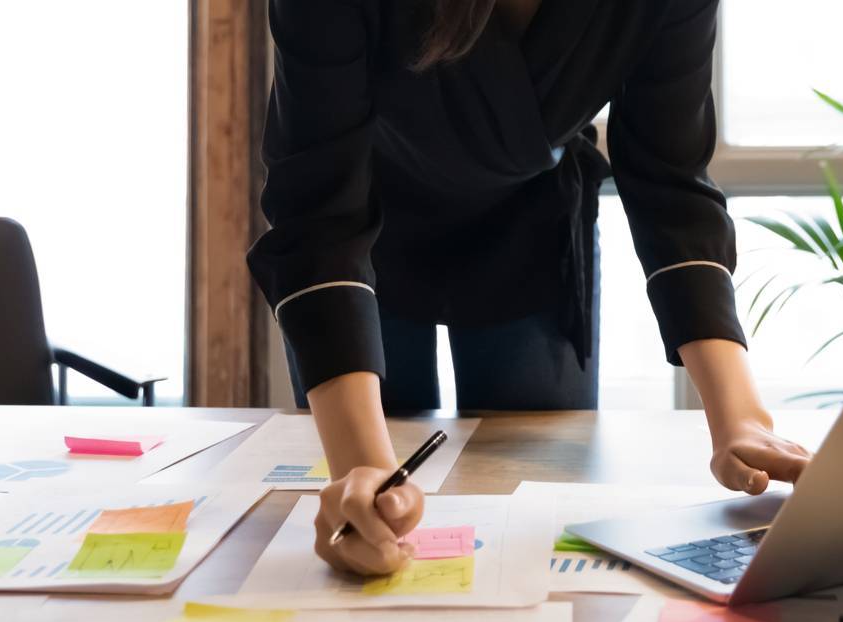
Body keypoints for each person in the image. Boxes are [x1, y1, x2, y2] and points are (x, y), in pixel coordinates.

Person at [250, 0, 811, 576]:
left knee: (534, 527)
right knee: (377, 523)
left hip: (533, 229)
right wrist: (362, 475)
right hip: (360, 239)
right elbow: (317, 211)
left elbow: (672, 184)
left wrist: (739, 418)